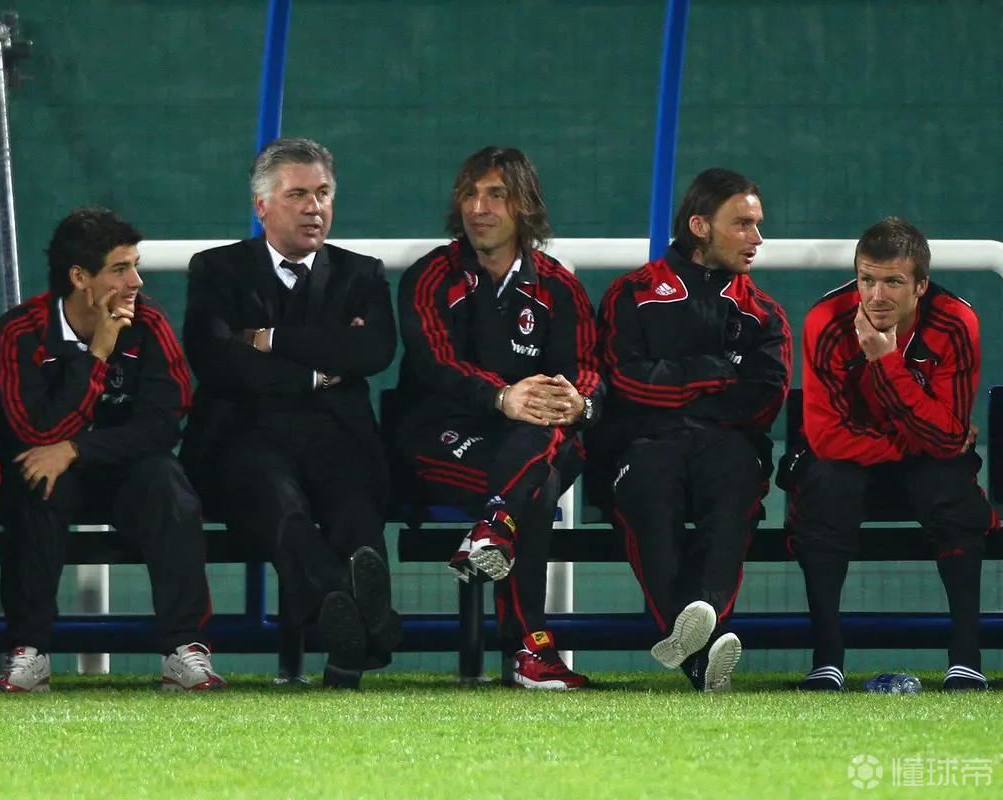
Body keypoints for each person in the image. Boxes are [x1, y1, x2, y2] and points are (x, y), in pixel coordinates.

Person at [179, 138, 400, 689]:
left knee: (355, 509)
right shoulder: (216, 270)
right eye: (297, 194)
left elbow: (373, 351)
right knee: (281, 507)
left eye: (323, 194)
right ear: (262, 206)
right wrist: (319, 369)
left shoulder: (361, 274)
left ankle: (351, 633)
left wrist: (269, 339)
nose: (313, 207)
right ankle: (356, 611)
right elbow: (216, 359)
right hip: (244, 437)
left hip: (337, 437)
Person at [394, 146, 604, 690]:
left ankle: (492, 530)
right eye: (470, 194)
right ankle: (529, 651)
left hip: (525, 443)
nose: (478, 208)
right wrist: (503, 396)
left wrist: (578, 402)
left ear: (524, 205)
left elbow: (586, 370)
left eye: (496, 195)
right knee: (538, 482)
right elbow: (435, 364)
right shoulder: (430, 276)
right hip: (442, 442)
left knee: (549, 445)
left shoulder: (559, 286)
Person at [0, 207, 223, 692]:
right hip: (53, 471)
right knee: (35, 481)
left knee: (169, 487)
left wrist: (77, 448)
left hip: (125, 469)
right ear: (80, 277)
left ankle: (184, 648)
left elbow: (163, 423)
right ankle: (28, 650)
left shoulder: (150, 324)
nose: (136, 281)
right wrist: (96, 355)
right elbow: (33, 431)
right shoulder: (21, 332)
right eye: (120, 269)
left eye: (135, 266)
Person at [592, 167, 790, 692]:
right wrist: (710, 373)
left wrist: (673, 394)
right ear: (700, 226)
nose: (757, 238)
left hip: (728, 446)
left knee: (734, 486)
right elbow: (624, 380)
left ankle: (695, 635)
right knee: (650, 486)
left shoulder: (764, 313)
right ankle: (705, 645)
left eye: (757, 224)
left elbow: (763, 398)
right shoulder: (631, 294)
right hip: (643, 448)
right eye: (742, 224)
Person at [785, 217, 995, 691]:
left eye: (893, 282)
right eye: (867, 280)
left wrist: (886, 362)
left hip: (924, 468)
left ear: (920, 286)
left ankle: (966, 660)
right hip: (853, 464)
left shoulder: (955, 323)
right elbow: (828, 440)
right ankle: (827, 661)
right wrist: (917, 439)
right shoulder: (827, 321)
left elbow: (947, 439)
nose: (876, 296)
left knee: (953, 492)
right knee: (825, 485)